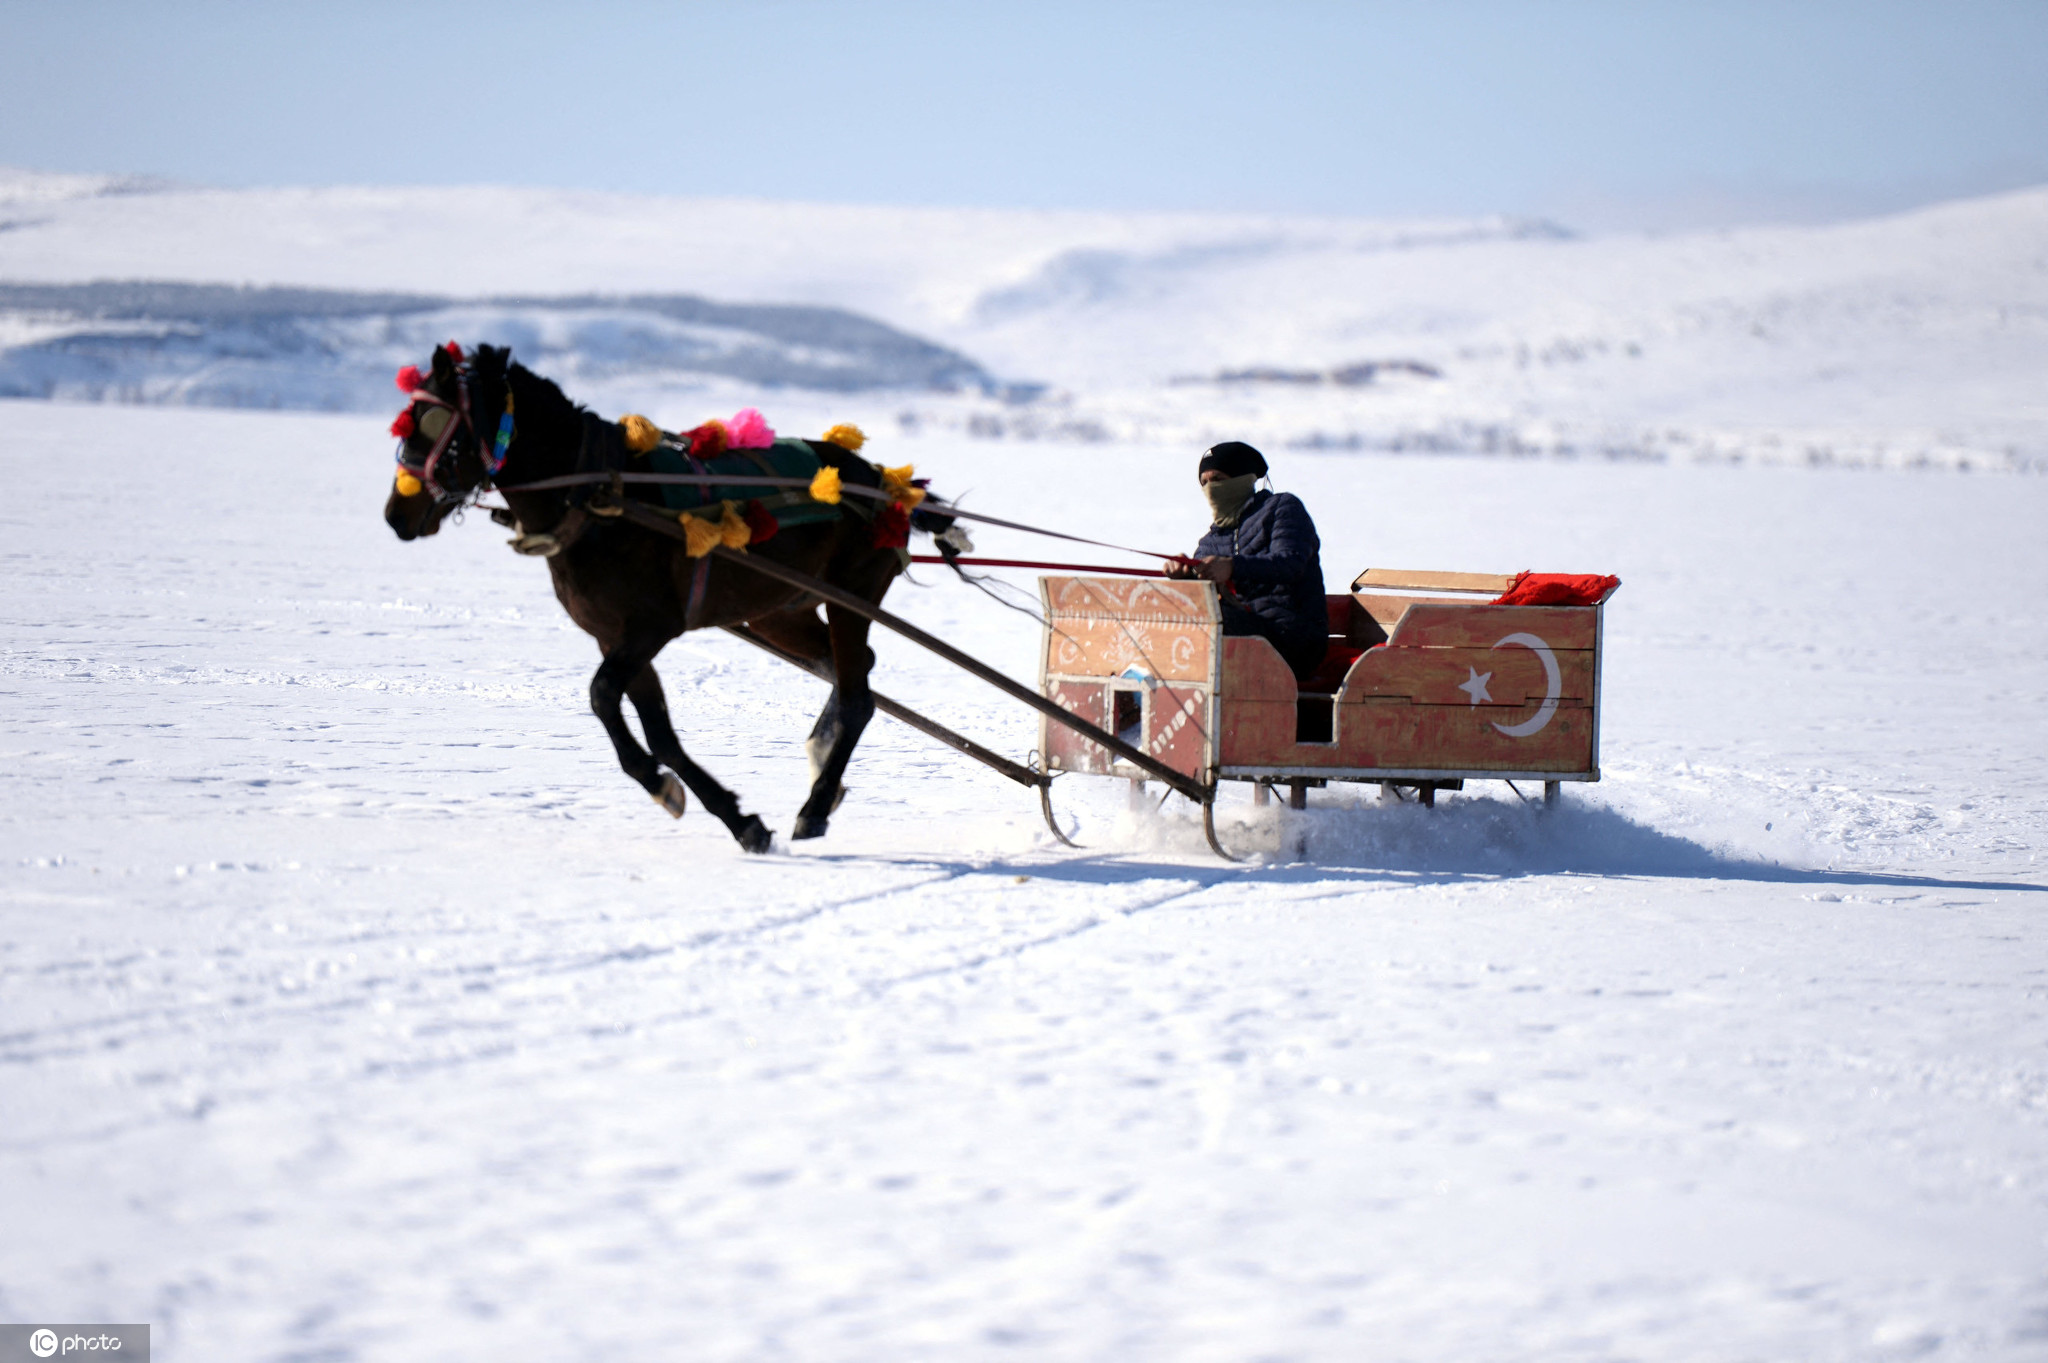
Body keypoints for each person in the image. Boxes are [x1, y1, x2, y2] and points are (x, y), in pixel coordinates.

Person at [1164, 441, 1329, 681]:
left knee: (1216, 620)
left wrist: (1232, 567)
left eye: (1218, 479)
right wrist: (1186, 577)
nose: (1211, 489)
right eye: (1204, 483)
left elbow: (1290, 563)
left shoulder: (1281, 508)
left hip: (1294, 638)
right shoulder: (1210, 542)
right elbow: (1203, 595)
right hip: (1246, 630)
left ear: (1242, 477)